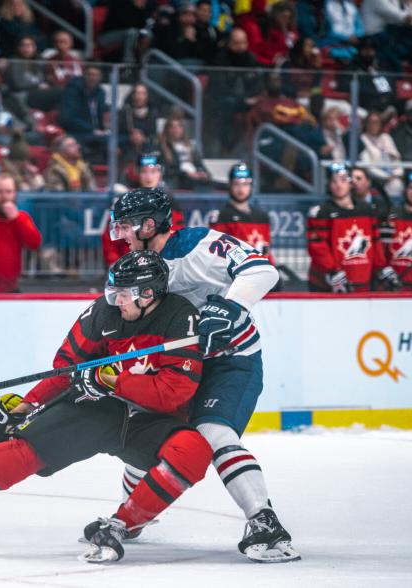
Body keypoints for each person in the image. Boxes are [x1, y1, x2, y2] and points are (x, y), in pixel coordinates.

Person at [0, 250, 213, 564]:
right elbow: (65, 369)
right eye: (115, 293)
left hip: (151, 419)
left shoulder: (179, 317)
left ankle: (121, 524)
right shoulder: (103, 313)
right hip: (98, 410)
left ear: (149, 293)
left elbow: (173, 393)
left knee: (193, 451)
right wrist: (26, 407)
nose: (117, 301)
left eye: (124, 294)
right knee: (13, 452)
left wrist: (113, 381)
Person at [108, 188, 299, 563]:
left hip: (231, 360)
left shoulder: (197, 245)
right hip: (183, 366)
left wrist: (230, 305)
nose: (122, 235)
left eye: (127, 226)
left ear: (150, 224)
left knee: (213, 433)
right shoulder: (139, 264)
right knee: (148, 434)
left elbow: (262, 269)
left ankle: (264, 521)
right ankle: (133, 515)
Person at [307, 162, 400, 292]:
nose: (339, 185)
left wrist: (381, 267)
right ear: (329, 184)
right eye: (334, 181)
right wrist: (331, 271)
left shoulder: (367, 210)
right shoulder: (320, 212)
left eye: (343, 180)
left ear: (350, 183)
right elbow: (317, 248)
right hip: (327, 284)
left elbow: (375, 242)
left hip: (362, 281)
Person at [210, 163, 275, 266]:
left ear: (251, 186)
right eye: (236, 184)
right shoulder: (220, 216)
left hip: (260, 272)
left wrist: (272, 270)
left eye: (245, 184)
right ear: (230, 185)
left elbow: (267, 251)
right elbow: (218, 252)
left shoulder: (262, 216)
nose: (241, 189)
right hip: (234, 275)